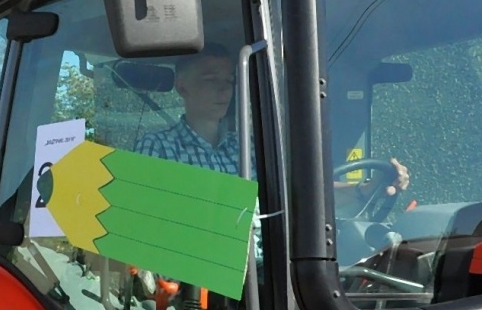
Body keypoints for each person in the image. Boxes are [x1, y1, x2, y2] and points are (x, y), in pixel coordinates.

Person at [135, 43, 409, 204]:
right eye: (210, 80)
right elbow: (143, 218)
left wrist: (365, 189)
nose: (224, 90)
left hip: (265, 276)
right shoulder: (157, 147)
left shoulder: (248, 148)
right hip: (199, 286)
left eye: (229, 81)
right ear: (182, 87)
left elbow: (301, 200)